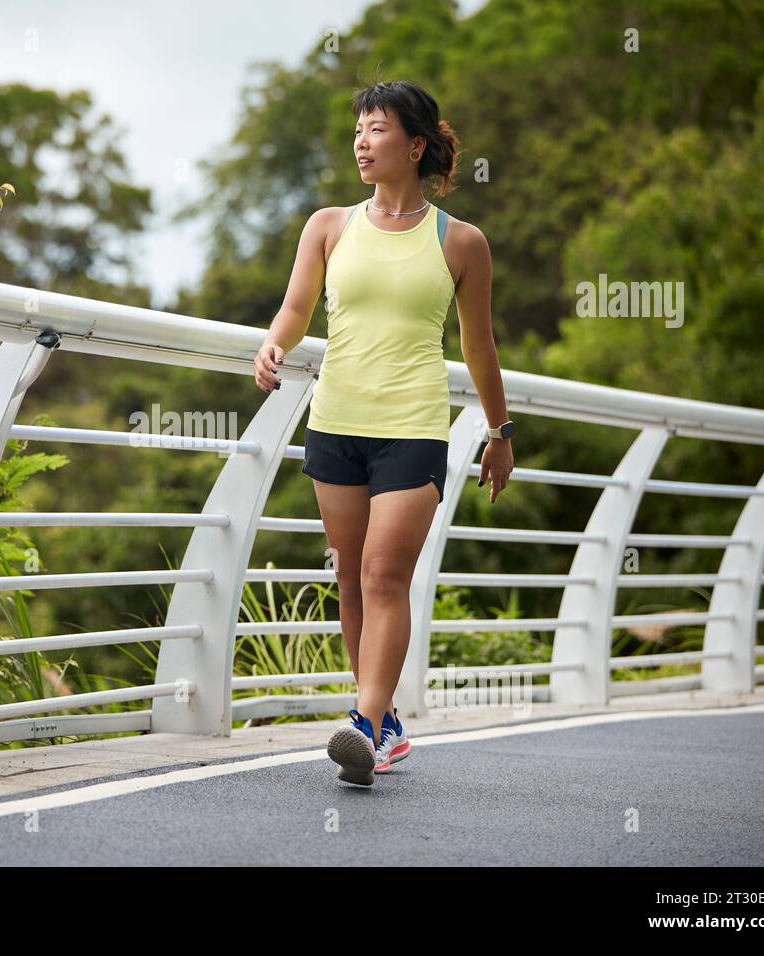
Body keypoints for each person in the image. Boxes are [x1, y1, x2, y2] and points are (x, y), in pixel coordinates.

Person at [252, 80, 514, 786]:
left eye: (377, 129)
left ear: (416, 144)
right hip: (336, 421)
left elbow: (480, 347)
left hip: (413, 427)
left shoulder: (460, 242)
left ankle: (363, 727)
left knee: (384, 574)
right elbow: (296, 308)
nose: (362, 142)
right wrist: (273, 345)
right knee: (352, 582)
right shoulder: (329, 226)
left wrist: (500, 430)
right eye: (358, 130)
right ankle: (383, 719)